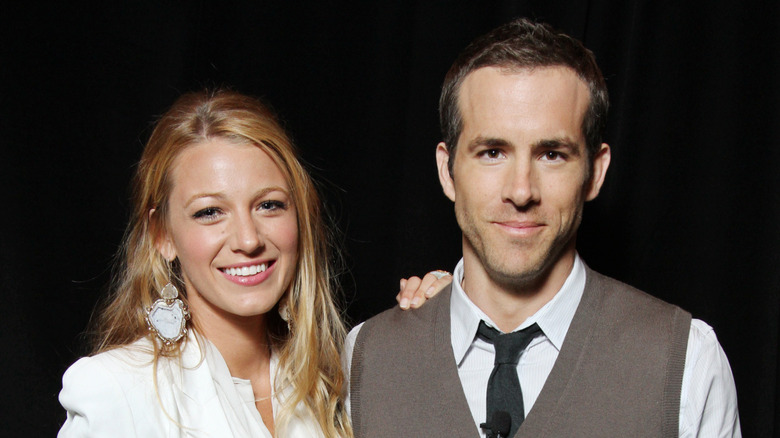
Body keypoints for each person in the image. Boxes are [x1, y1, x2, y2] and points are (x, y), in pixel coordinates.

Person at [345, 18, 741, 438]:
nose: (521, 191)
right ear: (447, 171)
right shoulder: (364, 360)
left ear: (595, 172)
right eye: (492, 152)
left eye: (552, 154)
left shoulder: (686, 364)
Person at [57, 90, 447, 437]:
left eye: (269, 205)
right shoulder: (117, 390)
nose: (248, 240)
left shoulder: (337, 383)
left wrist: (442, 326)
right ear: (163, 235)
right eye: (210, 212)